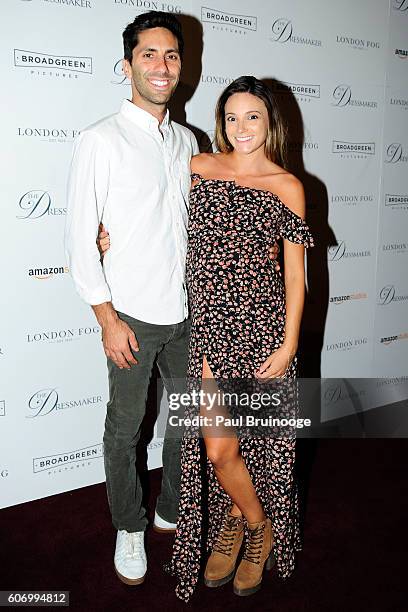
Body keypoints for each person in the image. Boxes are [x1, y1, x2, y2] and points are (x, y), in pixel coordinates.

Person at [164, 76, 314, 601]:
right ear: (220, 121)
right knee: (218, 446)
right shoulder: (198, 168)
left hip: (264, 329)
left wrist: (290, 342)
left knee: (256, 442)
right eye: (231, 117)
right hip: (210, 331)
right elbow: (155, 217)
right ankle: (257, 522)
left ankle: (239, 521)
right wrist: (106, 234)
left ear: (271, 120)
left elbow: (295, 275)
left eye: (253, 116)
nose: (241, 127)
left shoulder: (287, 185)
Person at [64, 11, 199, 586]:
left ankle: (170, 504)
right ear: (127, 66)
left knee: (190, 420)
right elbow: (78, 236)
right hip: (133, 316)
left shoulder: (189, 141)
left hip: (188, 312)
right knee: (125, 430)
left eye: (170, 55)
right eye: (149, 55)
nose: (161, 66)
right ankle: (129, 527)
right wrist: (106, 316)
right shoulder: (100, 138)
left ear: (181, 66)